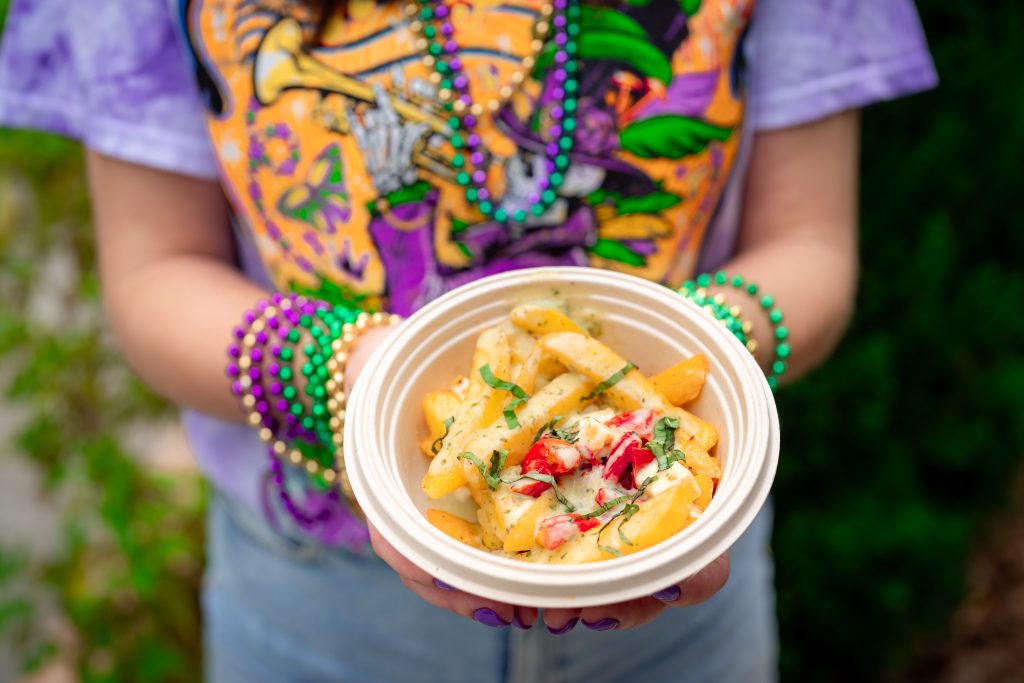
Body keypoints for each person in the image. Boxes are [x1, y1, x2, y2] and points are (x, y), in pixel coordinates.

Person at [0, 0, 936, 680]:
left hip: (688, 597)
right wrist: (350, 378)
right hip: (316, 604)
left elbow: (810, 246)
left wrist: (701, 356)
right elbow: (153, 274)